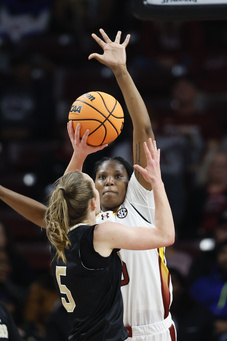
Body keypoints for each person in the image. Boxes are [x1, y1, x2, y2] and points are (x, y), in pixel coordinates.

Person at [0, 29, 178, 340]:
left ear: (132, 180)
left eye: (117, 175)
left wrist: (121, 72)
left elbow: (143, 128)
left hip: (153, 330)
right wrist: (0, 189)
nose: (108, 181)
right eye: (101, 177)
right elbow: (50, 213)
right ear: (92, 193)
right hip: (114, 333)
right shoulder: (86, 226)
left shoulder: (140, 201)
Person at [45, 137, 174, 340]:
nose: (106, 183)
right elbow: (166, 235)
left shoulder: (58, 235)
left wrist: (79, 154)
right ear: (93, 203)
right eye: (96, 181)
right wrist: (157, 182)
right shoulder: (101, 234)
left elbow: (65, 191)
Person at [180, 147, 227, 239]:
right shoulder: (196, 193)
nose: (219, 169)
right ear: (207, 168)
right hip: (203, 236)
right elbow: (189, 222)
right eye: (215, 165)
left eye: (223, 166)